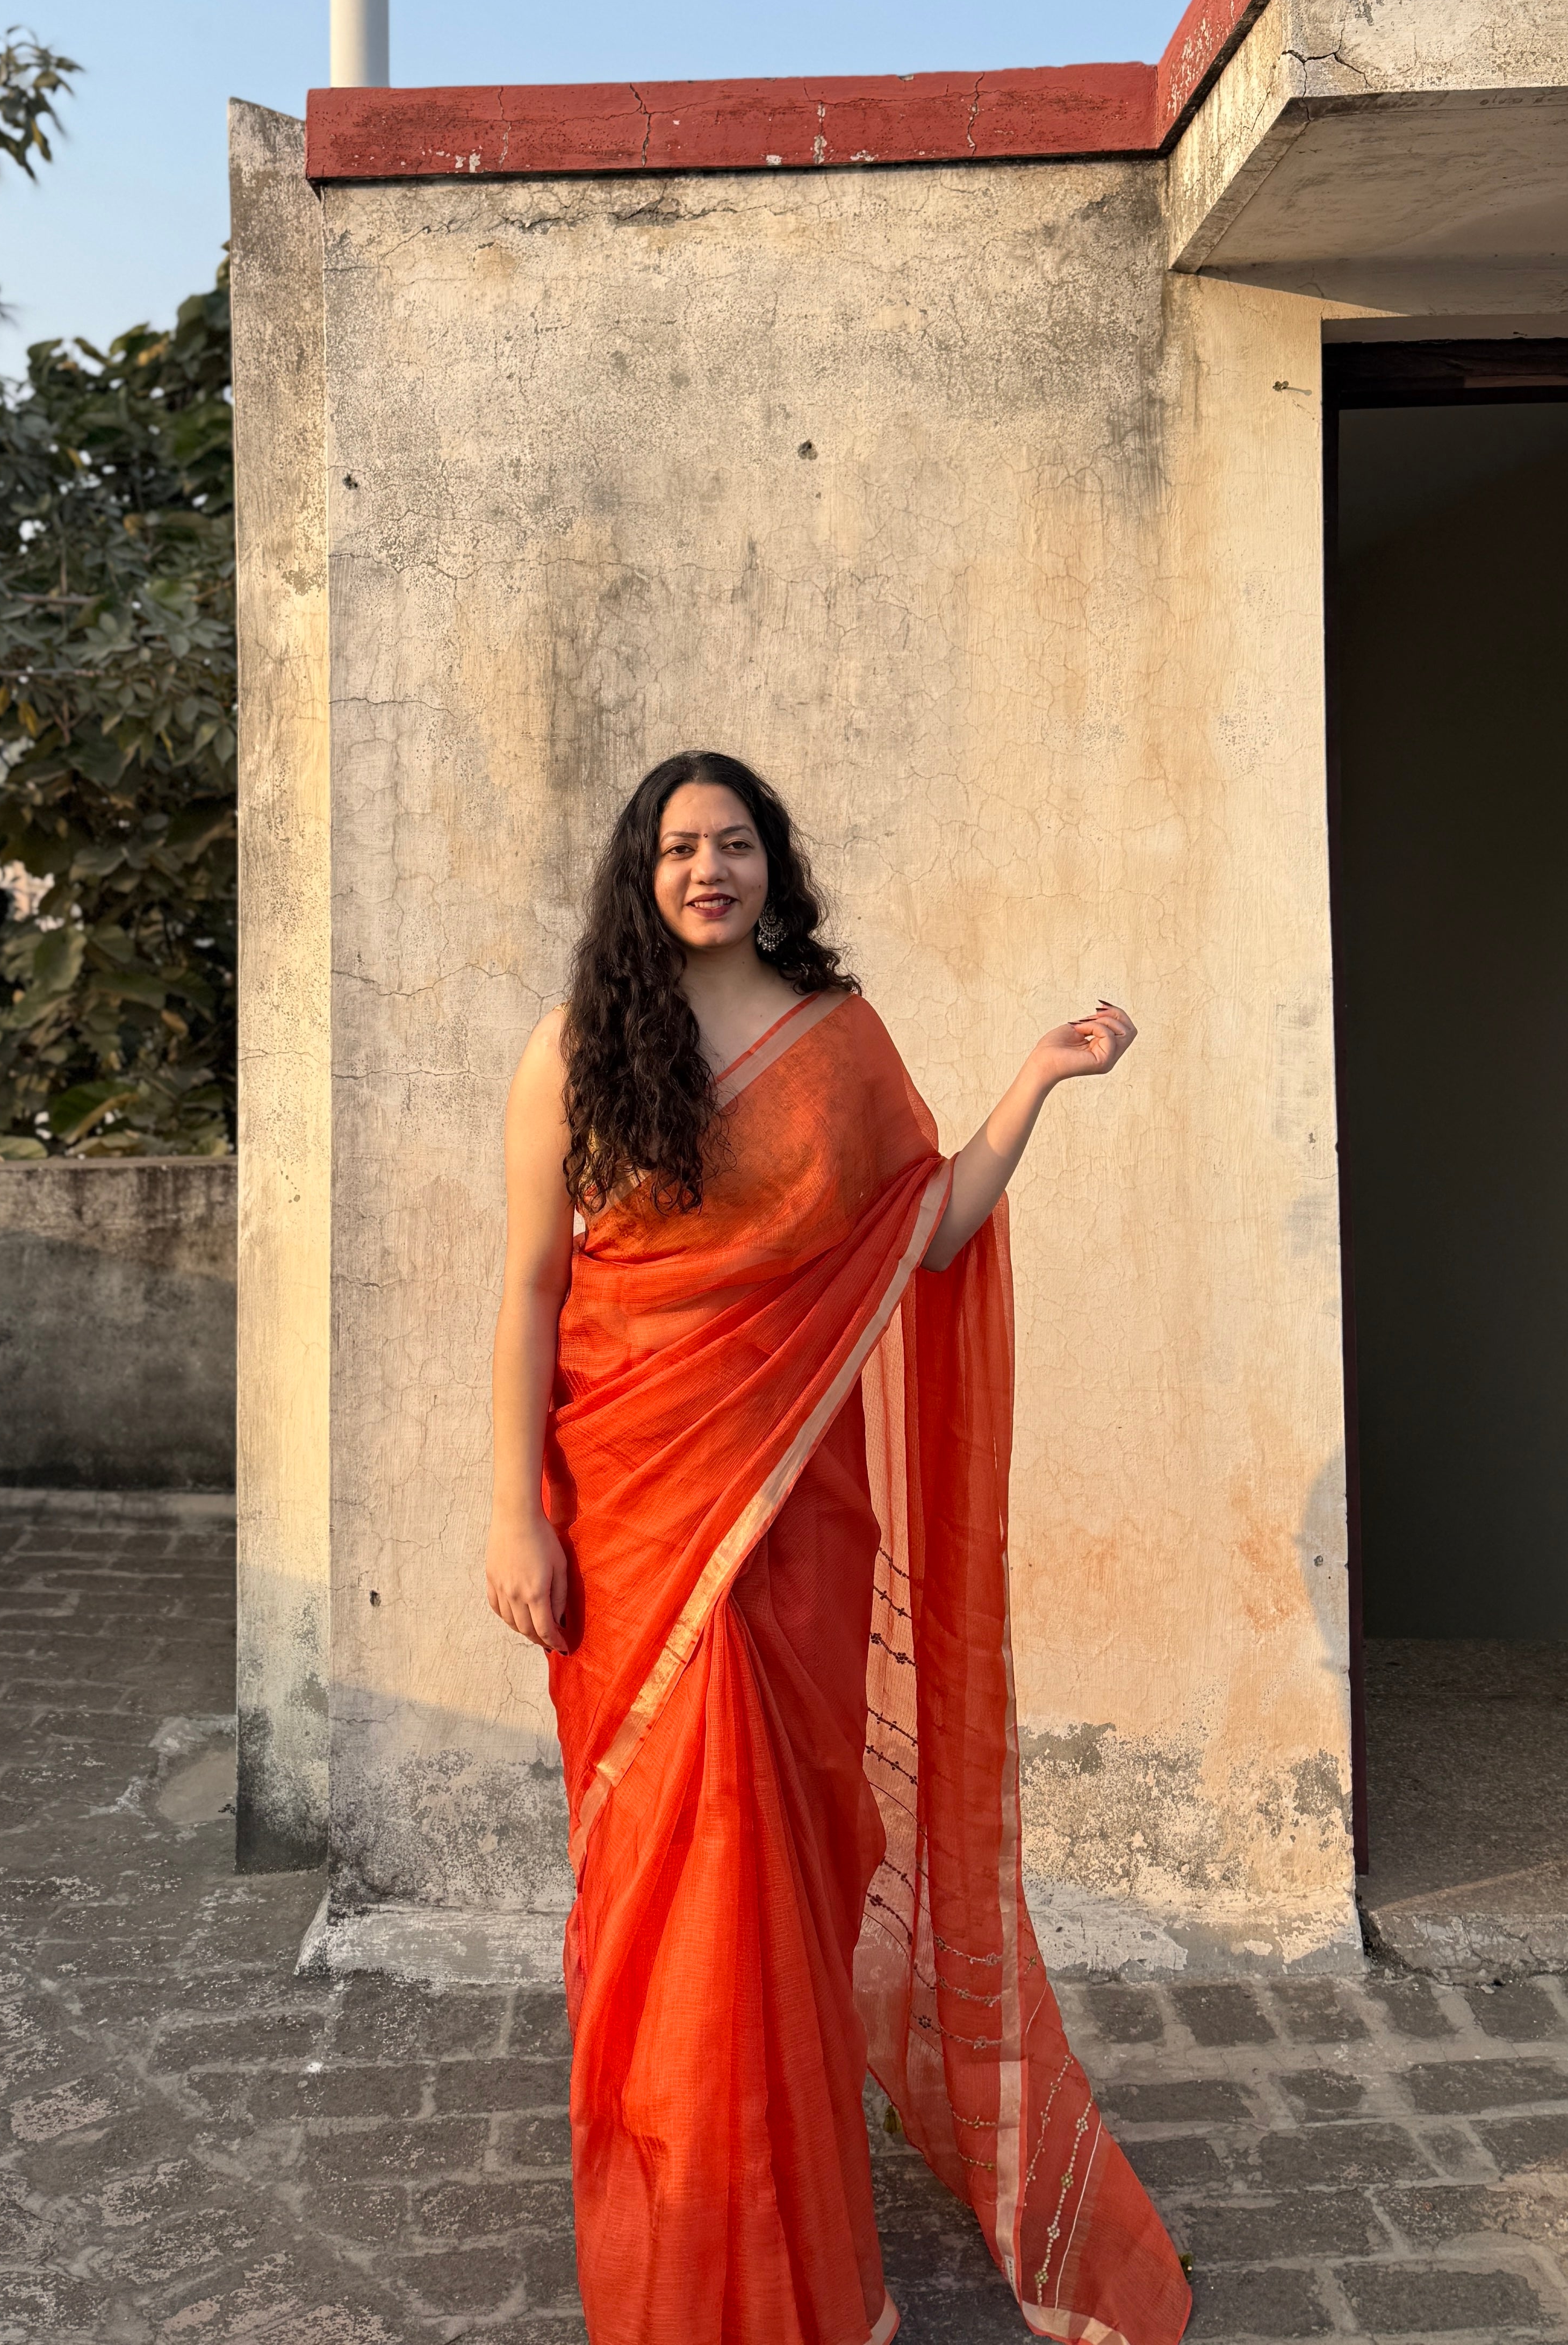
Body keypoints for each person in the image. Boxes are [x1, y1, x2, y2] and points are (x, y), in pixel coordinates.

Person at [486, 751, 1191, 2345]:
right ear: (638, 874)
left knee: (780, 1869)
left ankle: (799, 2255)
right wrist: (507, 1508)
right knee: (674, 1875)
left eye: (732, 843)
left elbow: (925, 1228)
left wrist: (1031, 1080)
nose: (706, 870)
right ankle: (687, 2249)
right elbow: (534, 1285)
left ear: (770, 866)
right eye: (676, 848)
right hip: (631, 1513)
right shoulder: (577, 1049)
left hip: (795, 1524)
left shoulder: (839, 1044)